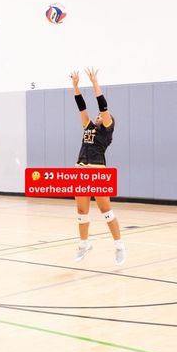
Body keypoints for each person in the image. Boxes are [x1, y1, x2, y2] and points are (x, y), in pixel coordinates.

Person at [70, 67, 126, 265]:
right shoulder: (88, 126)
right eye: (99, 115)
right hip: (81, 170)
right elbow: (81, 107)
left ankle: (119, 246)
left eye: (102, 116)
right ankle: (84, 244)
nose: (99, 116)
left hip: (97, 171)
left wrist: (95, 84)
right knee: (81, 212)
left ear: (108, 121)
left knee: (106, 211)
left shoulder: (106, 131)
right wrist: (75, 86)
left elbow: (103, 106)